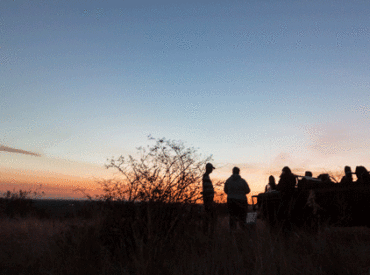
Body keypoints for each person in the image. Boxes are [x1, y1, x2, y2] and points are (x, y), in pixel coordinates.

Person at [224, 167, 251, 232]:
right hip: (242, 201)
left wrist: (231, 193)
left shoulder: (228, 181)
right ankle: (244, 233)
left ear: (232, 172)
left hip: (231, 201)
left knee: (232, 218)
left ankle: (233, 233)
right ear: (239, 172)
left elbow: (225, 190)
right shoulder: (243, 181)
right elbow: (248, 190)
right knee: (242, 218)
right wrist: (241, 193)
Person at [202, 163, 216, 235]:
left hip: (208, 199)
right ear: (208, 168)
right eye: (211, 169)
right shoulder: (206, 176)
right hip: (208, 199)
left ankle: (207, 231)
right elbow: (207, 189)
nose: (212, 170)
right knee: (209, 216)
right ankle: (208, 232)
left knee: (208, 216)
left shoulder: (206, 176)